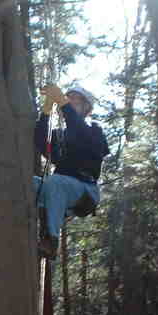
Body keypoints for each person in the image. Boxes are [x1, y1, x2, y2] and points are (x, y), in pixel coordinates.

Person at [34, 83, 110, 259]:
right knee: (30, 184)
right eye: (69, 99)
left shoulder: (94, 130)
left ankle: (50, 240)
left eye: (76, 100)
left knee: (55, 181)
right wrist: (46, 110)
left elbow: (79, 131)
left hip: (85, 191)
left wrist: (61, 101)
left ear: (86, 108)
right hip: (60, 189)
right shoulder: (61, 136)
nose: (71, 102)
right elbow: (40, 139)